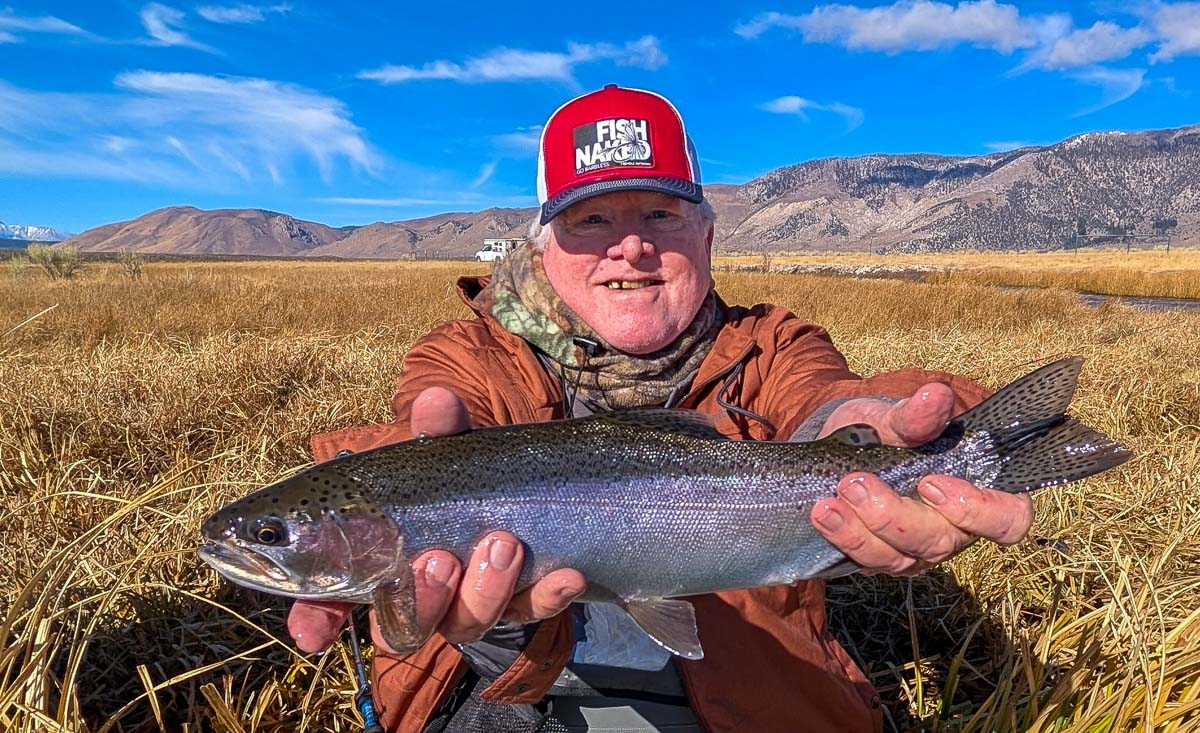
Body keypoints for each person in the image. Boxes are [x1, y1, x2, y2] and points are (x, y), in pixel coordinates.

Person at [287, 85, 1034, 732]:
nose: (632, 247)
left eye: (661, 214)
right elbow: (425, 432)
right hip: (509, 695)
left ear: (707, 236)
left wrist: (906, 431)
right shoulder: (465, 354)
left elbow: (830, 400)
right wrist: (369, 537)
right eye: (592, 221)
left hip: (751, 706)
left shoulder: (773, 345)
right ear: (542, 247)